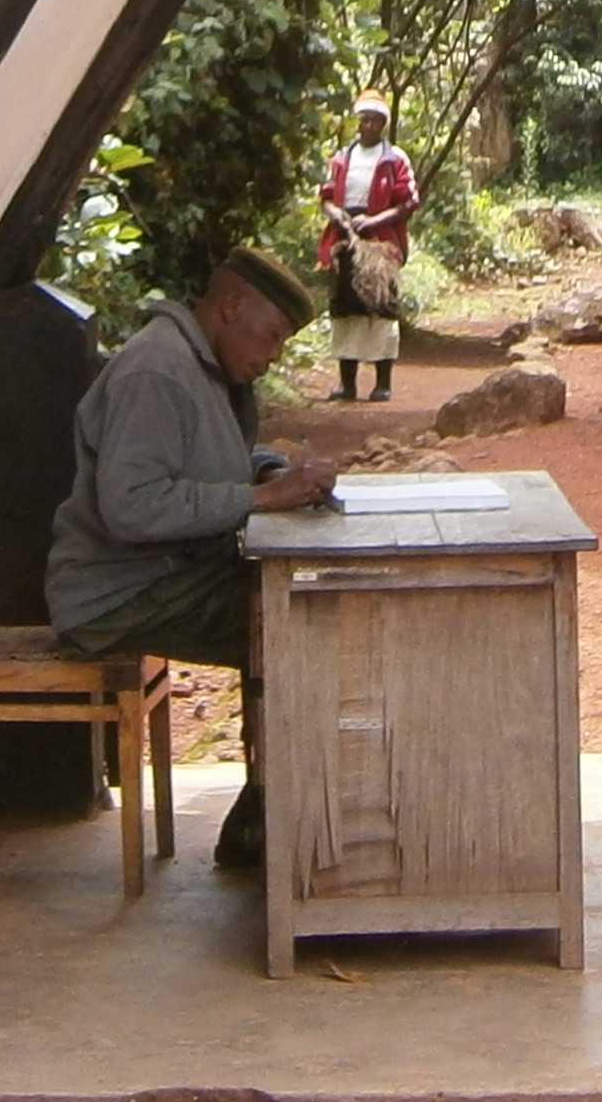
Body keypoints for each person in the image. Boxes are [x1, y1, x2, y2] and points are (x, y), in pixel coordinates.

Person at [47, 247, 337, 869]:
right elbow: (133, 507)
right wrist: (260, 499)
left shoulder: (201, 366)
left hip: (165, 577)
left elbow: (208, 461)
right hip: (116, 597)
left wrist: (271, 471)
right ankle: (264, 824)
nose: (273, 355)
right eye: (273, 336)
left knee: (286, 610)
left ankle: (265, 815)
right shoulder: (156, 372)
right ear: (230, 307)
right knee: (290, 624)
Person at [318, 93, 416, 403]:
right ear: (357, 123)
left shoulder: (395, 159)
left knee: (381, 306)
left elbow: (408, 202)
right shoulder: (341, 158)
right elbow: (326, 197)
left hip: (381, 243)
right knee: (345, 307)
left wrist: (373, 221)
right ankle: (347, 383)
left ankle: (382, 382)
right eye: (365, 120)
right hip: (345, 239)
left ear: (384, 124)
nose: (369, 125)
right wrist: (340, 217)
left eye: (375, 120)